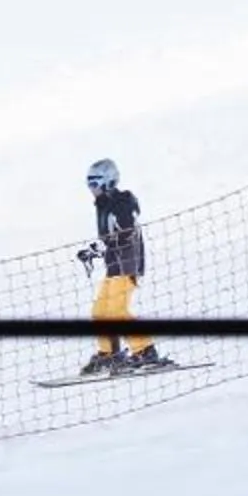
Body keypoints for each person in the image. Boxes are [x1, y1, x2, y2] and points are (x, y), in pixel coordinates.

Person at [75, 158, 174, 377]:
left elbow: (126, 232)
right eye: (88, 183)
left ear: (108, 182)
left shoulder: (122, 203)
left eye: (95, 183)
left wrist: (99, 247)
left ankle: (145, 351)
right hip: (114, 265)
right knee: (100, 311)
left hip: (128, 263)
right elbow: (109, 239)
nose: (91, 188)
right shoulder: (103, 204)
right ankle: (108, 354)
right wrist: (95, 250)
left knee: (117, 311)